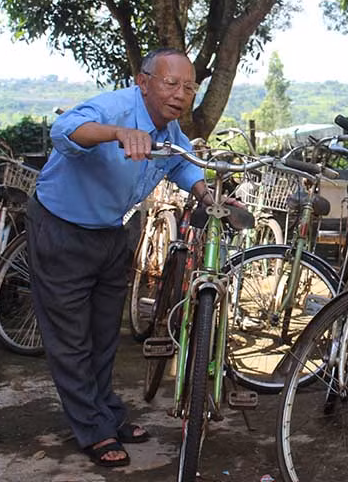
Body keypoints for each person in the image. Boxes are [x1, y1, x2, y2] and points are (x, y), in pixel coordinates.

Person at [27, 47, 226, 467]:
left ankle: (107, 415)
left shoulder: (169, 130)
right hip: (62, 229)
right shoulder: (116, 107)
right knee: (71, 339)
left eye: (188, 87)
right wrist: (117, 133)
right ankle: (92, 429)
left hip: (111, 233)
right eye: (171, 83)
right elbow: (65, 129)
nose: (180, 94)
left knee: (104, 336)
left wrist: (207, 192)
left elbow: (181, 164)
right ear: (144, 81)